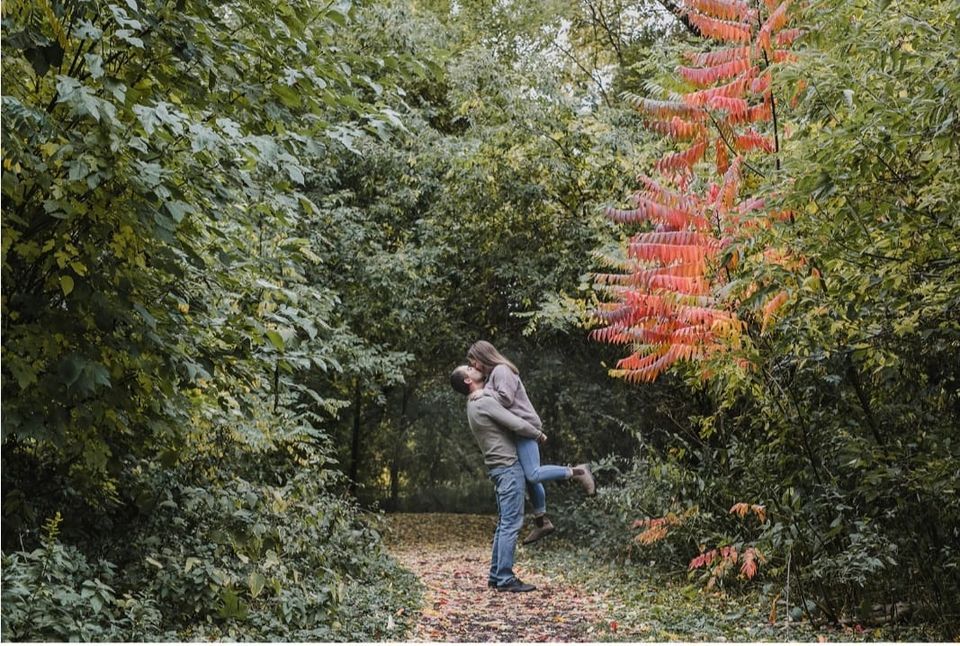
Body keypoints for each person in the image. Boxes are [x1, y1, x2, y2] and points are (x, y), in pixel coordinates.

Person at [468, 340, 595, 544]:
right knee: (528, 477)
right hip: (517, 429)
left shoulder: (502, 370)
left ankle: (578, 472)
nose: (474, 367)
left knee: (533, 474)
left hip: (525, 426)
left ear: (483, 356)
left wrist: (484, 393)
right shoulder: (493, 375)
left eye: (474, 362)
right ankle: (541, 522)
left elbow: (506, 399)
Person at [450, 364, 539, 592]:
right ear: (469, 380)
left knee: (504, 524)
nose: (475, 367)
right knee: (511, 524)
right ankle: (505, 578)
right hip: (508, 466)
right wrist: (538, 434)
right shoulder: (484, 402)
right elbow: (515, 423)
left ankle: (496, 575)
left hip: (498, 468)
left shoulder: (473, 403)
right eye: (469, 368)